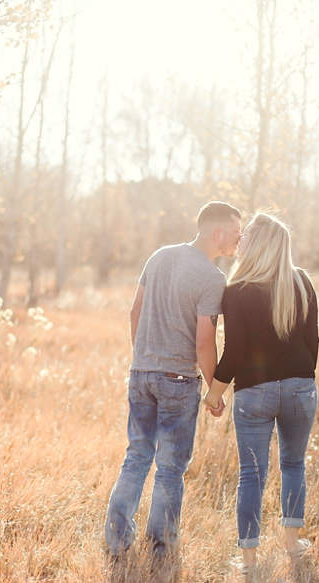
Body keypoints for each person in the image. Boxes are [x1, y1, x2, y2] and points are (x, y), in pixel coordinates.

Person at [105, 201, 242, 566]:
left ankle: (116, 542)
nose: (239, 240)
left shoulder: (160, 256)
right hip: (178, 381)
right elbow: (203, 342)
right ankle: (161, 548)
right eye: (235, 233)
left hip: (141, 373)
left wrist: (145, 358)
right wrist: (215, 391)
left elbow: (134, 311)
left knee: (136, 457)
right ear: (218, 233)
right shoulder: (213, 279)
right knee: (169, 467)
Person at [203, 212, 319, 581]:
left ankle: (250, 562)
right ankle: (291, 544)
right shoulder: (301, 282)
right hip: (301, 387)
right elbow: (312, 343)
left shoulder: (236, 290)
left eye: (246, 235)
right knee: (294, 464)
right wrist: (298, 378)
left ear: (256, 244)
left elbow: (234, 351)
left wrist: (213, 394)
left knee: (251, 475)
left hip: (255, 392)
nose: (240, 241)